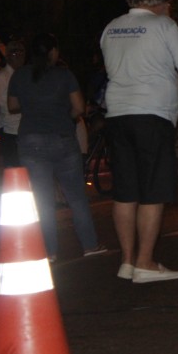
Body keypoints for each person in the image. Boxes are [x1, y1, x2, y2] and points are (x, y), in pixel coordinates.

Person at [100, 0, 178, 283]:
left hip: (117, 114)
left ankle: (127, 261)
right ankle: (145, 263)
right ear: (162, 0)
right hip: (153, 115)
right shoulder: (164, 25)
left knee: (125, 191)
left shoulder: (111, 28)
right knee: (153, 192)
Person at [7, 33, 106, 261]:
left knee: (42, 200)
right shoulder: (65, 75)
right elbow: (79, 107)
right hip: (62, 138)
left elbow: (12, 106)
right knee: (76, 197)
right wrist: (66, 115)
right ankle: (90, 245)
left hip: (31, 141)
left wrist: (33, 105)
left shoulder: (20, 75)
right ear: (52, 52)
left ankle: (48, 251)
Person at [0, 39, 25, 168]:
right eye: (16, 53)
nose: (19, 56)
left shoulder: (23, 75)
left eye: (22, 52)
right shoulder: (2, 76)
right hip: (9, 130)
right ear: (8, 56)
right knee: (13, 167)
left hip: (24, 129)